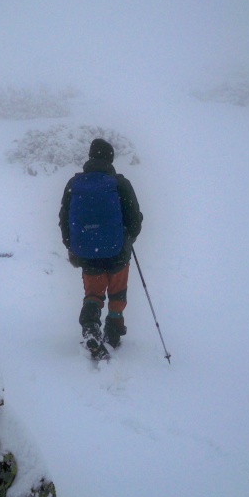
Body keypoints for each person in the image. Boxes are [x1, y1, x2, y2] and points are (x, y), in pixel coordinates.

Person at [59, 138, 143, 359]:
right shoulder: (120, 183)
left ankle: (90, 329)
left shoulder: (74, 184)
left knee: (94, 294)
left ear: (90, 157)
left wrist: (74, 247)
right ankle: (113, 333)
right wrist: (127, 239)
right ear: (111, 158)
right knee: (117, 292)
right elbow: (135, 219)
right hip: (117, 253)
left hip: (88, 254)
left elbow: (64, 219)